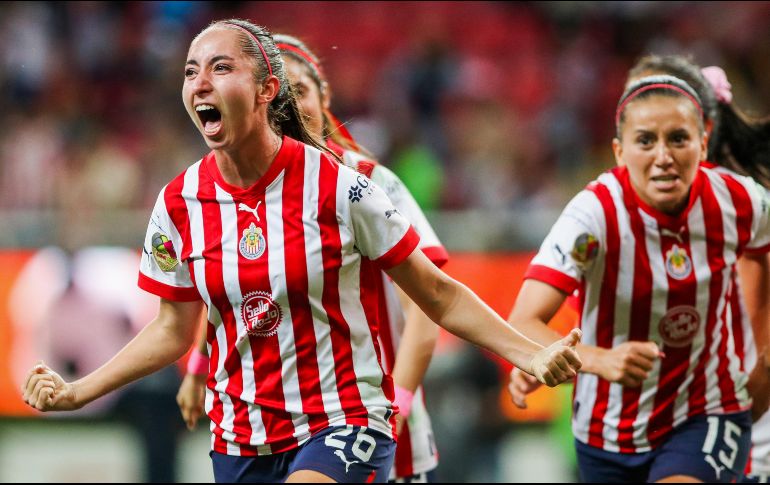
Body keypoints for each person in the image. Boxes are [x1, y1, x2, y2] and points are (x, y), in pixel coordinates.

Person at [21, 19, 582, 484]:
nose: (201, 83)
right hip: (241, 436)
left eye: (221, 68)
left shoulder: (344, 185)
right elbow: (174, 327)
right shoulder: (178, 203)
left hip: (344, 420)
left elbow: (434, 295)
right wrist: (78, 390)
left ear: (268, 91)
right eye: (192, 71)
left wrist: (527, 352)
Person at [176, 33, 448, 483]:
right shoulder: (244, 189)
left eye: (300, 90)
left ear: (325, 97)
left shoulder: (366, 180)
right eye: (281, 93)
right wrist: (198, 366)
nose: (289, 104)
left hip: (374, 423)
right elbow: (235, 290)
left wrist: (398, 399)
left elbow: (427, 309)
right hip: (282, 431)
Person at [506, 73, 770, 482]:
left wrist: (765, 364)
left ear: (703, 143)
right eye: (646, 141)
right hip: (606, 432)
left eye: (678, 139)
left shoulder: (739, 200)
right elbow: (522, 322)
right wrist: (599, 360)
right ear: (619, 151)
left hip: (706, 413)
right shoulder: (592, 216)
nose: (663, 155)